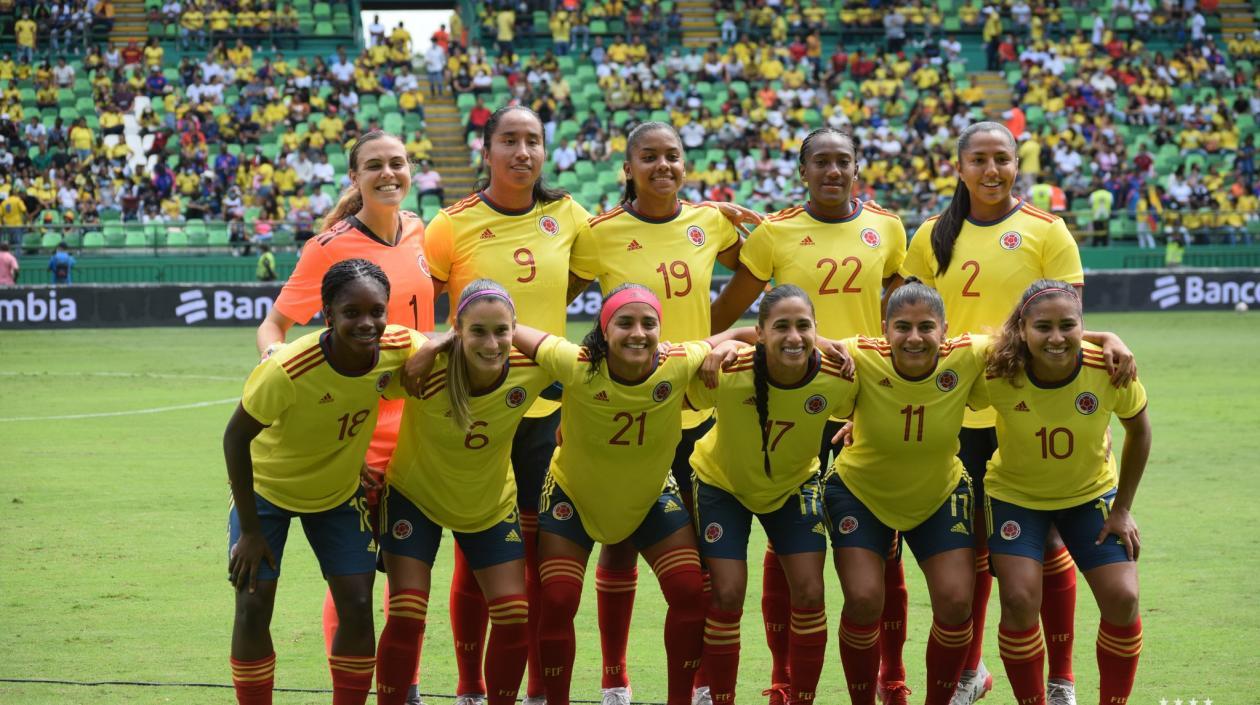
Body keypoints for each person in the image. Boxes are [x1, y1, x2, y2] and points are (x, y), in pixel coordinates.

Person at [898, 122, 1129, 705]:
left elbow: (1063, 324)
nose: (992, 170)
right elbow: (912, 323)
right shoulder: (929, 236)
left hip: (1027, 410)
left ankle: (1062, 679)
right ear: (960, 167)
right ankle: (973, 672)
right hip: (957, 411)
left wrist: (1106, 334)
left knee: (1048, 545)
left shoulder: (1046, 231)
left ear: (1015, 164)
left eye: (1002, 158)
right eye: (980, 159)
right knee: (977, 546)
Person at [709, 128, 909, 701]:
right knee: (787, 540)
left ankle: (890, 676)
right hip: (789, 397)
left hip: (862, 401)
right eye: (820, 162)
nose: (832, 171)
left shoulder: (887, 228)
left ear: (856, 169)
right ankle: (783, 678)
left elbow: (905, 308)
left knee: (880, 544)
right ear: (803, 171)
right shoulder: (776, 232)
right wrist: (704, 345)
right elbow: (731, 302)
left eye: (842, 161)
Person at [567, 120, 761, 705]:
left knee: (701, 555)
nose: (662, 167)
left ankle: (699, 682)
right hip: (624, 406)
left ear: (685, 163)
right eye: (648, 157)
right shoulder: (600, 233)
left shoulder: (709, 221)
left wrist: (715, 331)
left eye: (672, 156)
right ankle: (614, 676)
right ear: (628, 168)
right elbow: (557, 291)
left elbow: (753, 269)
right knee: (618, 541)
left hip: (693, 404)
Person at [508, 284, 755, 705]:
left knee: (688, 592)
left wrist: (724, 348)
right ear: (604, 331)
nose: (637, 333)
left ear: (661, 329)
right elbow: (510, 328)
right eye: (624, 322)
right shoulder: (576, 363)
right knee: (559, 598)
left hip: (650, 495)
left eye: (648, 323)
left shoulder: (678, 362)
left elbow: (750, 333)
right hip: (574, 495)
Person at [255, 130, 436, 705]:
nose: (389, 173)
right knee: (354, 574)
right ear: (354, 178)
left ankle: (400, 685)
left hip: (423, 428)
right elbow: (273, 327)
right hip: (361, 434)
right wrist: (280, 369)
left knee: (406, 572)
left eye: (398, 163)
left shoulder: (421, 231)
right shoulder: (330, 246)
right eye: (374, 166)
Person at [421, 105, 594, 705]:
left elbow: (600, 268)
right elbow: (424, 306)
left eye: (534, 141)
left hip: (545, 412)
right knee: (479, 552)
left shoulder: (568, 215)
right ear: (487, 152)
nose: (523, 152)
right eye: (510, 141)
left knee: (540, 560)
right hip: (475, 410)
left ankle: (545, 691)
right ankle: (471, 690)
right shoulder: (450, 224)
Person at [223, 259, 421, 705]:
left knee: (355, 605)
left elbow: (440, 348)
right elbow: (235, 440)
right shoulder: (288, 369)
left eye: (377, 311)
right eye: (352, 312)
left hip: (336, 495)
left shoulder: (397, 346)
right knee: (253, 606)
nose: (367, 322)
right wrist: (251, 532)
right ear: (328, 315)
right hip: (267, 494)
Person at [375, 282, 554, 705]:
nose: (491, 344)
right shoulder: (418, 362)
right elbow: (352, 373)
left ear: (515, 330)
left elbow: (595, 368)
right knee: (407, 613)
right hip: (414, 496)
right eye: (477, 331)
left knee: (513, 617)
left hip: (488, 504)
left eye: (502, 331)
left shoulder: (535, 367)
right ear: (458, 329)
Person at [976, 281, 1150, 705]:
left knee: (1123, 597)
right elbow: (930, 380)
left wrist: (1122, 508)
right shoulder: (995, 367)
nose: (1056, 337)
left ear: (1082, 326)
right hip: (1016, 497)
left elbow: (1140, 431)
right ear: (1022, 329)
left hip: (1089, 497)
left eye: (1068, 326)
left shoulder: (1110, 366)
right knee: (1018, 600)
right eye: (1043, 327)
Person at [685, 284, 857, 705]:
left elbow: (878, 400)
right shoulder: (729, 369)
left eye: (803, 326)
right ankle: (720, 697)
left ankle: (800, 698)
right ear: (760, 332)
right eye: (781, 326)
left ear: (818, 330)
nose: (794, 337)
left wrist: (860, 424)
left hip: (794, 486)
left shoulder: (838, 375)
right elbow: (673, 384)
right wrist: (724, 342)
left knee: (811, 592)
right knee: (726, 593)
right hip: (721, 485)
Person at [825, 280, 988, 705]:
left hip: (938, 493)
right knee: (863, 600)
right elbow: (790, 338)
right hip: (861, 492)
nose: (914, 338)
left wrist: (1105, 337)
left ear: (945, 330)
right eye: (902, 327)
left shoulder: (968, 356)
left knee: (956, 603)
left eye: (925, 327)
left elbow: (1032, 330)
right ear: (885, 330)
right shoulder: (858, 355)